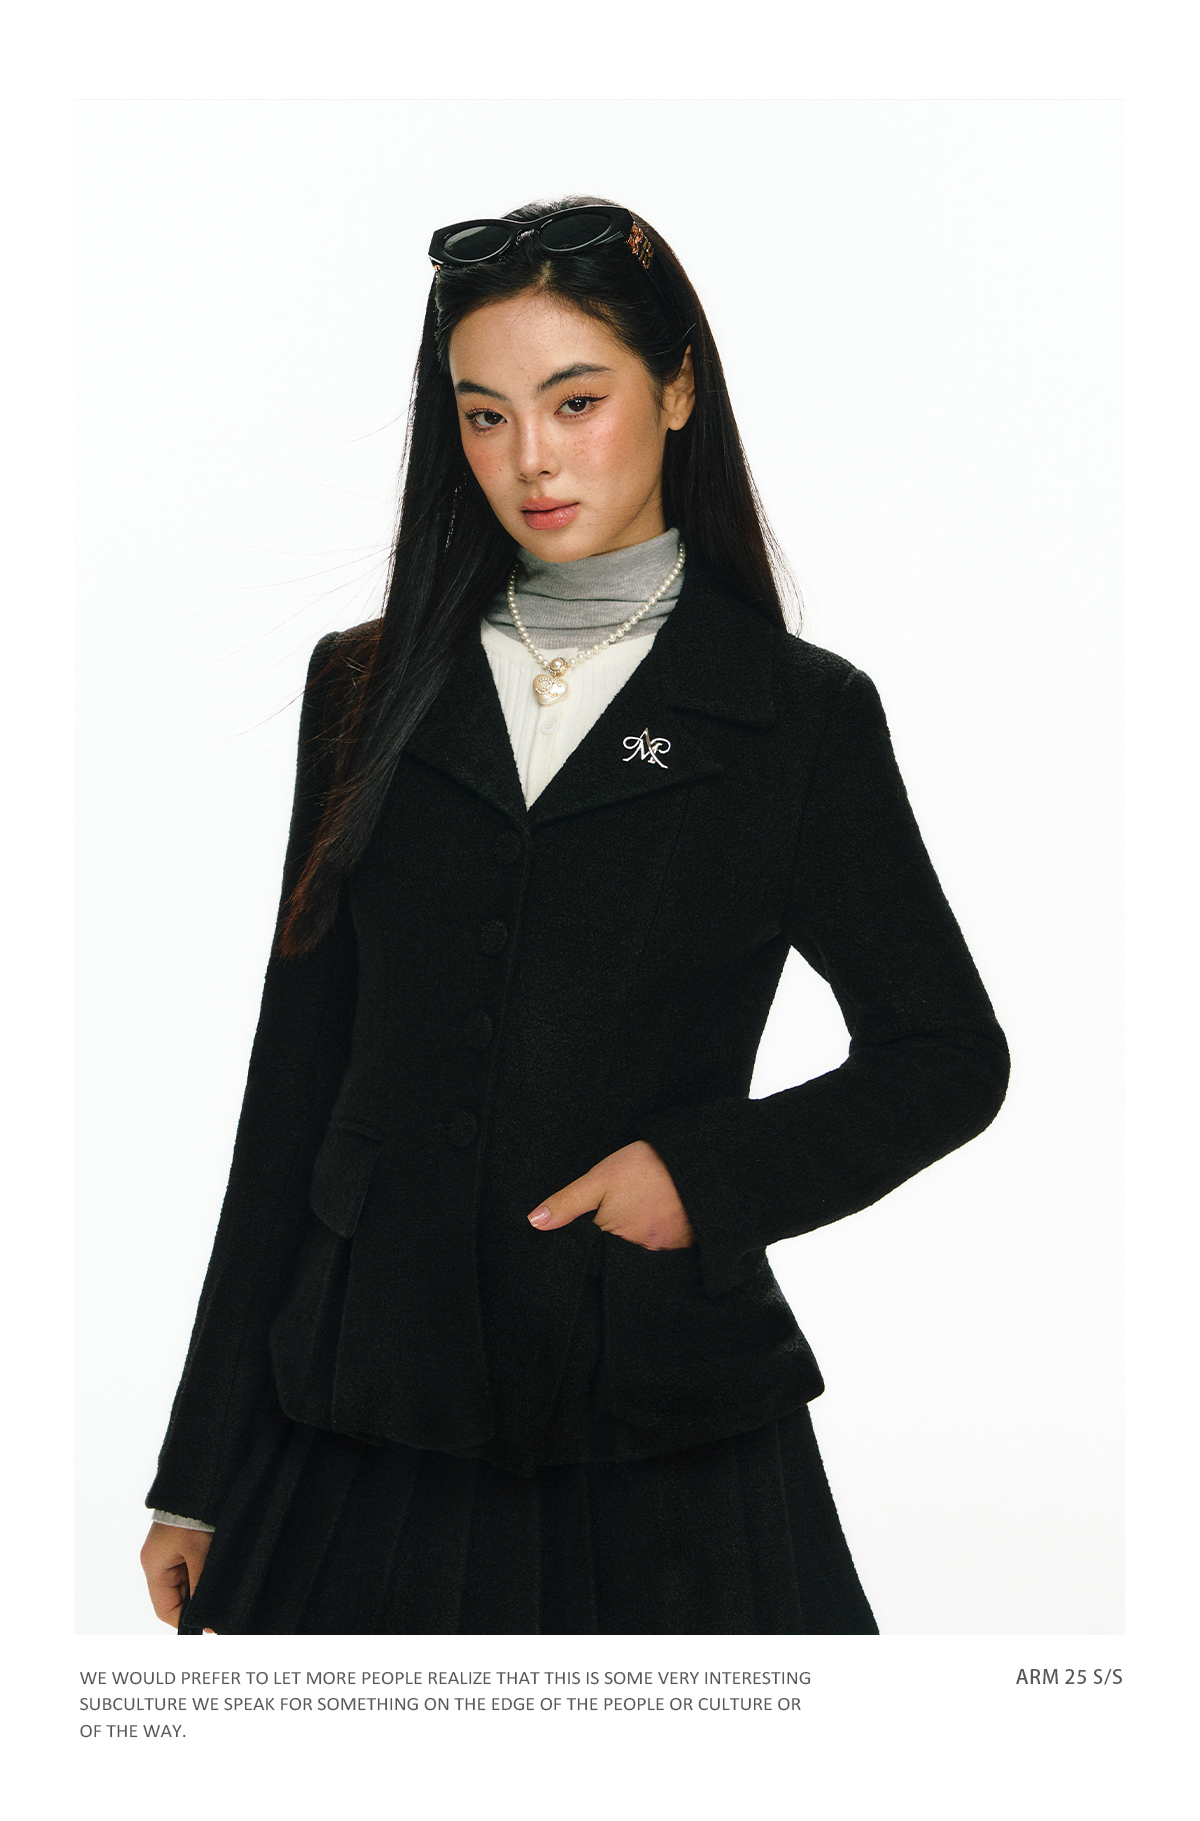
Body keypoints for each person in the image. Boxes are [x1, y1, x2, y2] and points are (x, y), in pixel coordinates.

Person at [140, 197, 1009, 1635]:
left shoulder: (795, 718)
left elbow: (946, 1055)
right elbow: (293, 1087)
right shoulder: (364, 688)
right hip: (360, 1415)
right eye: (484, 416)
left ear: (676, 391)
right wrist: (202, 1469)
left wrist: (703, 1176)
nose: (530, 458)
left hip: (657, 1415)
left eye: (575, 400)